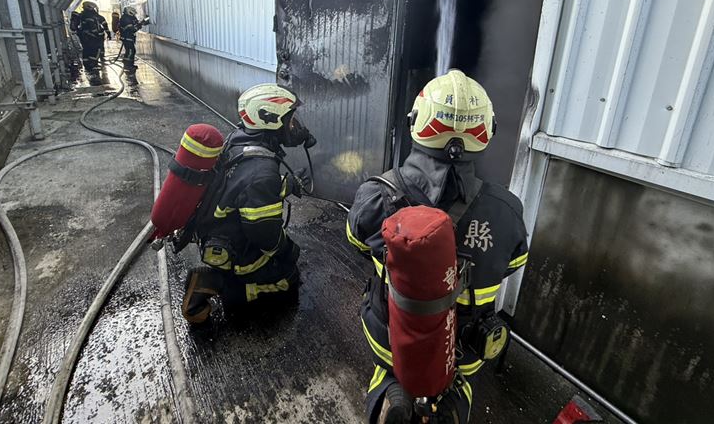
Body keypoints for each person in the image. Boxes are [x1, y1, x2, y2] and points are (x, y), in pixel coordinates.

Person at [347, 70, 529, 424]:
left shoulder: (378, 194)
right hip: (462, 348)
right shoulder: (507, 210)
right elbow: (513, 263)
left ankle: (389, 390)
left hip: (390, 334)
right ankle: (452, 406)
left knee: (388, 369)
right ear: (485, 131)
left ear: (418, 123)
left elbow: (355, 240)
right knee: (459, 382)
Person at [181, 83, 316, 324]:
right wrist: (286, 251)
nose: (294, 126)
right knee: (288, 281)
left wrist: (289, 185)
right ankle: (214, 284)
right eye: (290, 119)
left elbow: (244, 190)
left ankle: (225, 278)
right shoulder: (262, 171)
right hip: (235, 246)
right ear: (269, 118)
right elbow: (263, 232)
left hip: (221, 228)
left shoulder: (238, 139)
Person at [77, 1, 108, 70]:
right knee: (94, 50)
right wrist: (98, 34)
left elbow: (102, 22)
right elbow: (93, 27)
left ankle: (87, 65)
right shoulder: (90, 15)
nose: (94, 9)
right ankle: (93, 64)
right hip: (91, 37)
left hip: (85, 37)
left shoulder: (83, 15)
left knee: (86, 50)